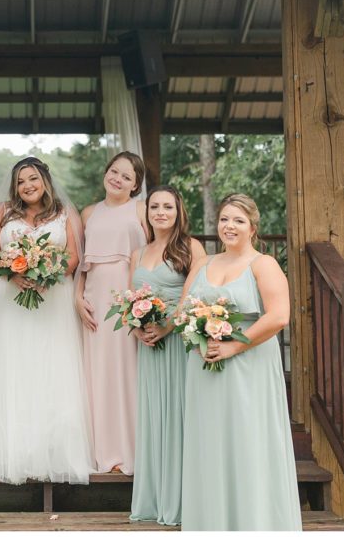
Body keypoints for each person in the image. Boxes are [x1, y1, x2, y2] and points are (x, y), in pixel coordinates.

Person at [180, 193, 301, 531]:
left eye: (238, 220)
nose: (229, 226)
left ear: (252, 228)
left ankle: (254, 523)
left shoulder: (263, 264)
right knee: (210, 442)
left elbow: (279, 316)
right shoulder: (203, 264)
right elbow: (182, 313)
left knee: (248, 441)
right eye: (224, 219)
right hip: (204, 366)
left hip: (248, 366)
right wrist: (195, 333)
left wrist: (233, 346)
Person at [0, 156, 94, 484]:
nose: (27, 186)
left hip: (53, 300)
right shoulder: (2, 211)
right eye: (21, 181)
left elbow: (73, 254)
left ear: (45, 180)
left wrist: (50, 274)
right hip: (9, 300)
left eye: (32, 179)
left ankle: (54, 451)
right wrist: (12, 272)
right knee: (13, 369)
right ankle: (9, 452)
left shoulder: (64, 214)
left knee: (52, 368)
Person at [129, 186, 206, 526]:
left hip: (177, 344)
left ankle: (181, 501)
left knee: (178, 414)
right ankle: (155, 497)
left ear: (179, 212)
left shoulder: (190, 247)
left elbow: (196, 296)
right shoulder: (138, 253)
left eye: (168, 207)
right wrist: (135, 328)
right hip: (149, 348)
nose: (161, 212)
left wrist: (167, 327)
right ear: (147, 213)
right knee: (153, 417)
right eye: (155, 207)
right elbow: (128, 299)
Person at [74, 151, 148, 474]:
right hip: (93, 298)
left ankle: (130, 450)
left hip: (128, 296)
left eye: (127, 177)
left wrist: (137, 302)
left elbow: (151, 252)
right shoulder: (89, 213)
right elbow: (80, 263)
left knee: (126, 371)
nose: (118, 179)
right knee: (97, 374)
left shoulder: (141, 209)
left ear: (135, 186)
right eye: (114, 172)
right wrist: (77, 298)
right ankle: (99, 451)